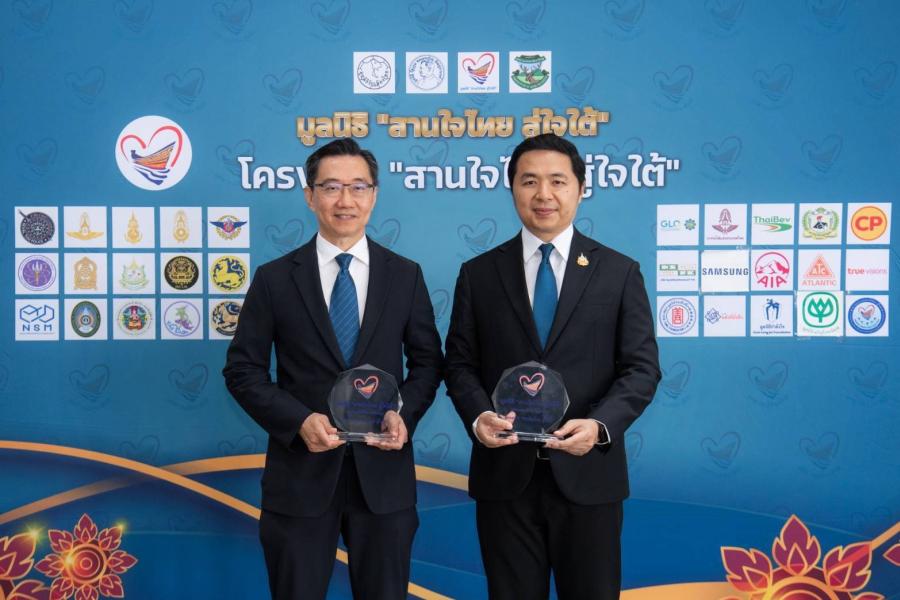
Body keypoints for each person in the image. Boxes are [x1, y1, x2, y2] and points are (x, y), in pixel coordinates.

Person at [223, 138, 443, 600]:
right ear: (310, 196)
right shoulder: (275, 278)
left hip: (383, 482)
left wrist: (404, 415)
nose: (346, 200)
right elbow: (243, 371)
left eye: (358, 187)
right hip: (299, 480)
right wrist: (298, 421)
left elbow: (427, 363)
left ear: (374, 195)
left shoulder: (405, 275)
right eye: (331, 187)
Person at [445, 133, 660, 599]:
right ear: (512, 189)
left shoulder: (619, 272)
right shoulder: (479, 274)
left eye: (558, 181)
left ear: (581, 189)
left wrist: (600, 426)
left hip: (589, 477)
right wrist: (479, 417)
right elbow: (459, 364)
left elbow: (642, 369)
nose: (544, 194)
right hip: (505, 478)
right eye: (529, 181)